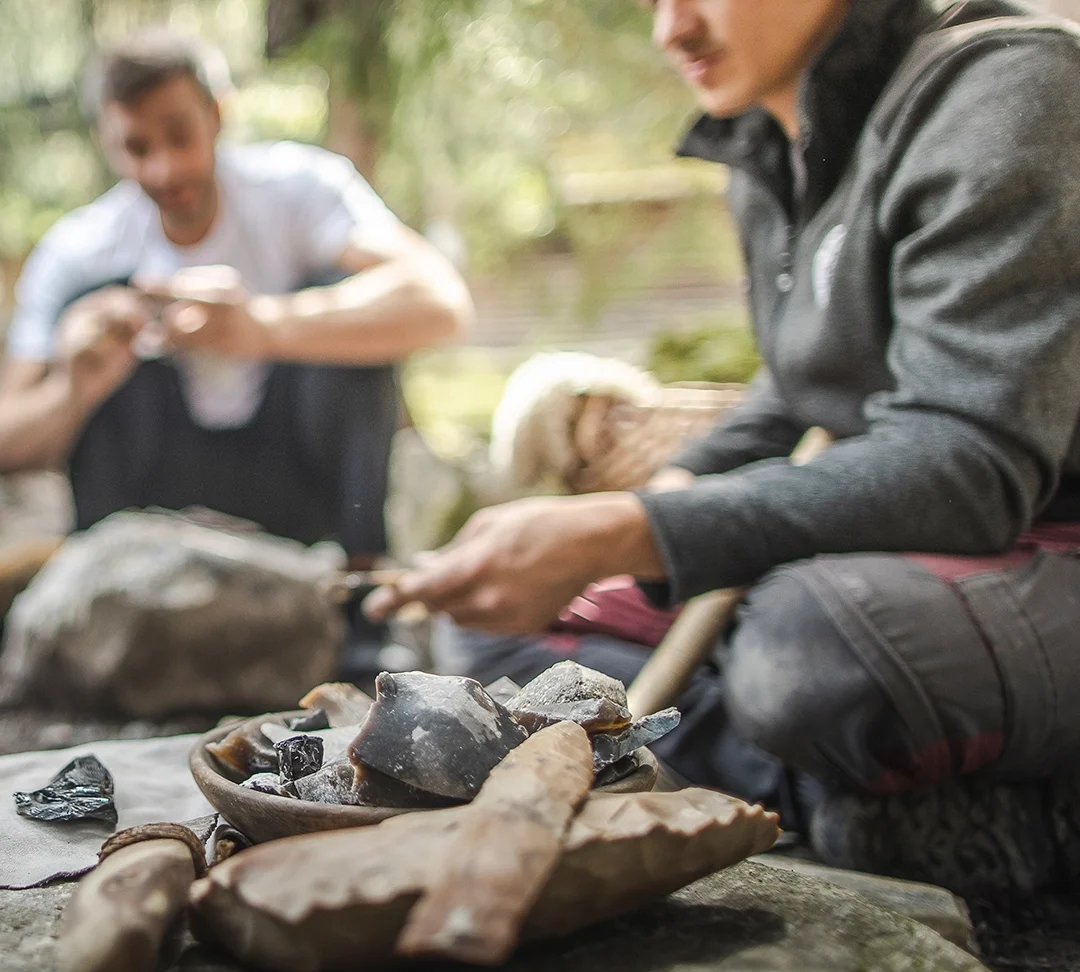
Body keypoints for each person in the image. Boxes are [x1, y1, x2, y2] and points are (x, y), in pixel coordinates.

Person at [367, 0, 1080, 896]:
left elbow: (967, 464)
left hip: (1031, 545)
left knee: (807, 651)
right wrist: (646, 502)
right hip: (903, 551)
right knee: (489, 628)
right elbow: (797, 391)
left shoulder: (1011, 86)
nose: (672, 30)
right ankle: (851, 800)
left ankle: (997, 813)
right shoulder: (769, 142)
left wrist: (643, 528)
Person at [0, 29, 473, 571]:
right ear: (107, 140)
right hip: (149, 501)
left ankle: (362, 596)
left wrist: (261, 328)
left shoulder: (298, 188)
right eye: (136, 147)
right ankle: (106, 594)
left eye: (179, 136)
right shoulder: (79, 250)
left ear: (218, 115)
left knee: (350, 308)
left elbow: (440, 301)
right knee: (87, 304)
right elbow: (7, 437)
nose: (163, 170)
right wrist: (74, 387)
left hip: (293, 480)